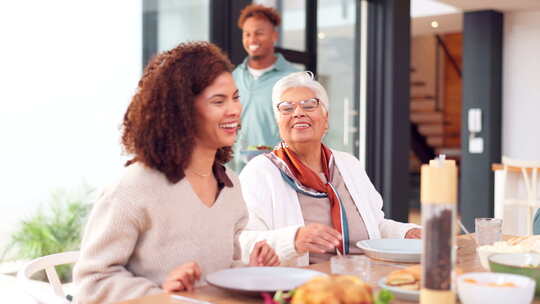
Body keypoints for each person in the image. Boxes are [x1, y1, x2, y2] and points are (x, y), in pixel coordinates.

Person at [73, 42, 279, 304]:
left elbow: (219, 273)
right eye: (219, 101)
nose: (235, 110)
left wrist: (251, 273)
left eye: (236, 97)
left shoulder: (230, 186)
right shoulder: (133, 187)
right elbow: (92, 283)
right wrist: (163, 295)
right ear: (182, 111)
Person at [238, 71, 421, 266]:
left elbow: (374, 227)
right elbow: (242, 241)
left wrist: (405, 233)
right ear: (278, 122)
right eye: (287, 108)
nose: (298, 112)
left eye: (309, 105)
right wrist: (294, 240)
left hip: (363, 278)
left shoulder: (348, 164)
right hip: (306, 287)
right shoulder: (260, 172)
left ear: (326, 119)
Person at [232, 4, 299, 171]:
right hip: (235, 174)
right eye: (247, 34)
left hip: (279, 172)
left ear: (274, 36)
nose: (252, 40)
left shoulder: (292, 79)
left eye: (259, 33)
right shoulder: (234, 77)